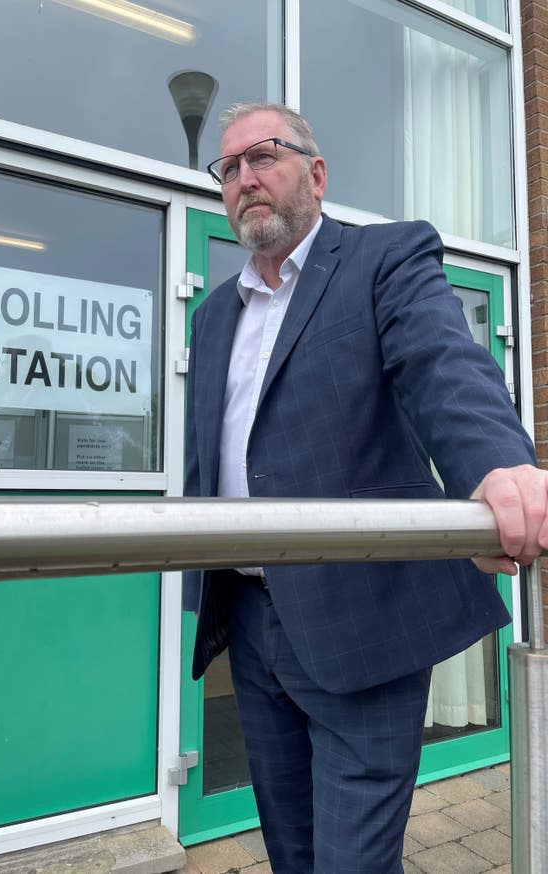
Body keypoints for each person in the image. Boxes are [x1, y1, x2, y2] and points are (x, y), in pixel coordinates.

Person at [183, 102, 548, 874]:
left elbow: (442, 364)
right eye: (229, 168)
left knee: (352, 861)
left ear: (315, 174)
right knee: (292, 850)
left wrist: (496, 462)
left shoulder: (385, 260)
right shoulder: (215, 314)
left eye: (265, 157)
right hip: (250, 621)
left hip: (362, 619)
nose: (244, 178)